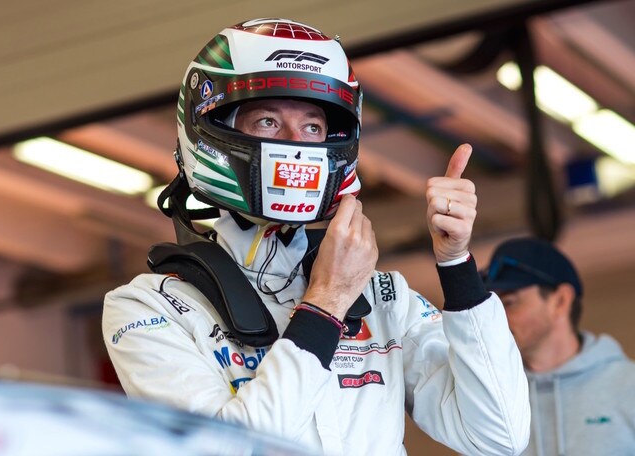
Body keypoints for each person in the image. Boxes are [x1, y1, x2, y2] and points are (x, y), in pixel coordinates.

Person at [103, 18, 529, 455]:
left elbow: (499, 438)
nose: (297, 144)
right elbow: (227, 449)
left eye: (312, 127)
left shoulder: (383, 298)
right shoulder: (148, 308)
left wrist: (456, 265)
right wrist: (325, 306)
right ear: (210, 127)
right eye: (268, 121)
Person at [483, 237, 635, 455]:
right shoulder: (491, 401)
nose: (496, 318)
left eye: (509, 303)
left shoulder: (628, 387)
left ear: (560, 301)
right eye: (493, 306)